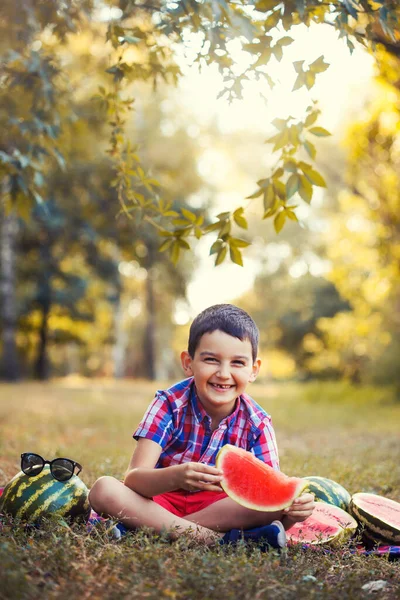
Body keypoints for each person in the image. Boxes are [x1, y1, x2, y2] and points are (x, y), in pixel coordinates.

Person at [89, 304, 315, 549]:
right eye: (211, 360)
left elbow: (269, 498)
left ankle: (148, 529)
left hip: (218, 508)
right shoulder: (168, 404)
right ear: (188, 362)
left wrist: (293, 512)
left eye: (238, 363)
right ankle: (218, 542)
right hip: (160, 499)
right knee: (104, 489)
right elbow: (134, 480)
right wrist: (176, 476)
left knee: (277, 505)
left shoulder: (258, 423)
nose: (223, 373)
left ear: (254, 370)